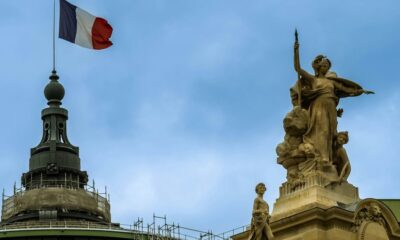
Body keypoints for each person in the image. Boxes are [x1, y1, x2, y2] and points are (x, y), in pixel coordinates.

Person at [293, 42, 374, 163]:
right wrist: (296, 51)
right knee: (322, 130)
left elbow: (346, 89)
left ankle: (328, 158)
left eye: (327, 66)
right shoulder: (313, 79)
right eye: (324, 65)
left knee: (330, 132)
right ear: (319, 67)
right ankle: (322, 157)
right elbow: (298, 68)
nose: (325, 67)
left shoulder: (331, 82)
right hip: (318, 105)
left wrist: (361, 91)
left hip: (330, 106)